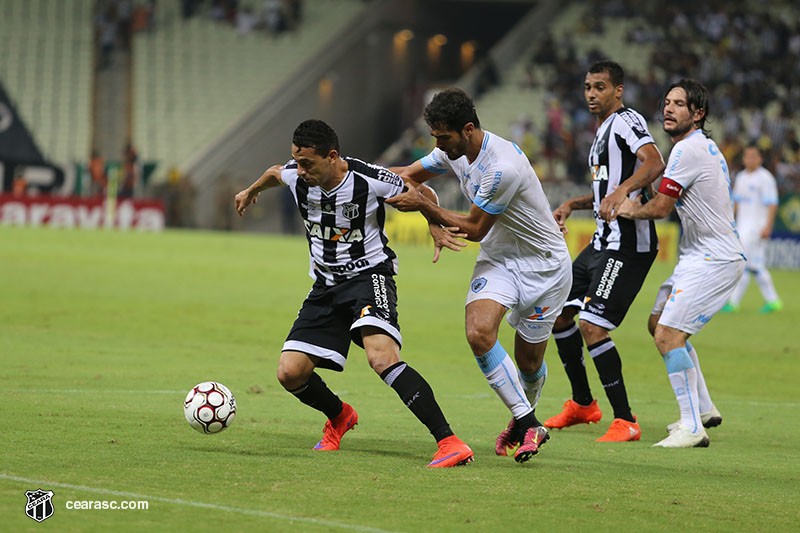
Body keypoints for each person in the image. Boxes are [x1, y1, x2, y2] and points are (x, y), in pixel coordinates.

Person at [234, 119, 473, 467]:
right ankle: (340, 415)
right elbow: (274, 172)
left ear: (332, 157)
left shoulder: (368, 178)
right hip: (325, 286)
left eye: (308, 164)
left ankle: (449, 441)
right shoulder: (295, 175)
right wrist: (251, 190)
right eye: (296, 162)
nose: (299, 171)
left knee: (381, 358)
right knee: (290, 373)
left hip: (369, 278)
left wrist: (433, 222)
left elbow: (421, 191)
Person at [386, 88, 572, 463]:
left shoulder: (502, 166)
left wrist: (425, 204)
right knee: (478, 332)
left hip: (546, 267)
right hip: (501, 261)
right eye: (435, 136)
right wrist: (355, 177)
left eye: (444, 137)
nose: (438, 145)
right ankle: (529, 420)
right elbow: (404, 174)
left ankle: (522, 420)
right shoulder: (453, 152)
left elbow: (473, 229)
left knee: (529, 363)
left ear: (467, 129)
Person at [616, 79, 745, 447]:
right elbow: (667, 194)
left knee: (668, 335)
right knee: (659, 322)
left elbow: (660, 208)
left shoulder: (688, 150)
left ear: (698, 113)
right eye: (667, 103)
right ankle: (703, 409)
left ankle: (692, 427)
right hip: (699, 256)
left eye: (679, 104)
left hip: (714, 259)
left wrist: (630, 208)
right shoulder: (695, 148)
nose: (668, 109)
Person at [546, 61, 666, 441]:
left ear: (619, 90)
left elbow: (654, 162)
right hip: (601, 241)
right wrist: (573, 204)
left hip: (627, 244)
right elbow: (604, 190)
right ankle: (583, 405)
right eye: (587, 87)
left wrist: (622, 191)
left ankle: (626, 420)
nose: (591, 94)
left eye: (600, 87)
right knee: (559, 316)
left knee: (592, 325)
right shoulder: (602, 132)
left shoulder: (627, 121)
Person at [721, 145, 782, 313]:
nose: (750, 160)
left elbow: (772, 203)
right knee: (755, 265)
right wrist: (729, 222)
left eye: (754, 156)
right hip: (742, 226)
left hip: (757, 227)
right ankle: (773, 301)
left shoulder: (765, 178)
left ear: (760, 159)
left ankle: (733, 302)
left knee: (742, 263)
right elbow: (737, 203)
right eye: (747, 156)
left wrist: (768, 226)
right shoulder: (741, 177)